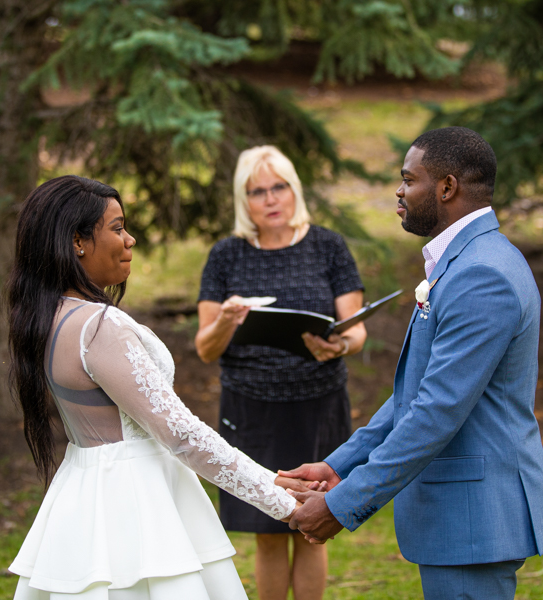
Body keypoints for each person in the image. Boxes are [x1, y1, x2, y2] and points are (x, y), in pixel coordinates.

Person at [5, 175, 310, 600]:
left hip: (85, 495)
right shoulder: (98, 328)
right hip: (136, 504)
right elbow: (181, 434)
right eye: (116, 228)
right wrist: (281, 499)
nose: (130, 240)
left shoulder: (47, 317)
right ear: (77, 241)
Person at [283, 127, 543, 600]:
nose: (399, 191)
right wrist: (340, 464)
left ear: (446, 187)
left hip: (475, 518)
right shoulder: (467, 261)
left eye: (409, 179)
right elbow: (416, 393)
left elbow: (436, 412)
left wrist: (343, 504)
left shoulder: (480, 275)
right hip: (463, 518)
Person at [195, 146, 367, 600]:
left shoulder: (327, 245)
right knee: (267, 530)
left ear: (295, 191)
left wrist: (340, 345)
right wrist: (227, 321)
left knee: (313, 527)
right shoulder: (226, 256)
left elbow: (356, 330)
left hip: (318, 403)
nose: (270, 199)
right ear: (243, 199)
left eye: (279, 187)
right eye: (257, 191)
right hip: (252, 411)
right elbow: (205, 348)